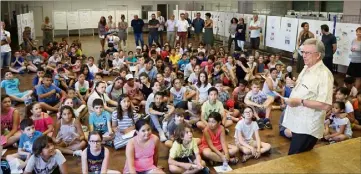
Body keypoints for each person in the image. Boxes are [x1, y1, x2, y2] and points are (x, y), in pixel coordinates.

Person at [283, 38, 333, 155]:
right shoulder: (307, 67)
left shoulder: (324, 75)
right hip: (298, 122)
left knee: (294, 160)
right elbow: (308, 89)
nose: (303, 56)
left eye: (307, 53)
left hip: (307, 127)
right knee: (299, 160)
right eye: (303, 52)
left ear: (318, 55)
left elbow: (325, 105)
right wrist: (294, 84)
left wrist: (300, 101)